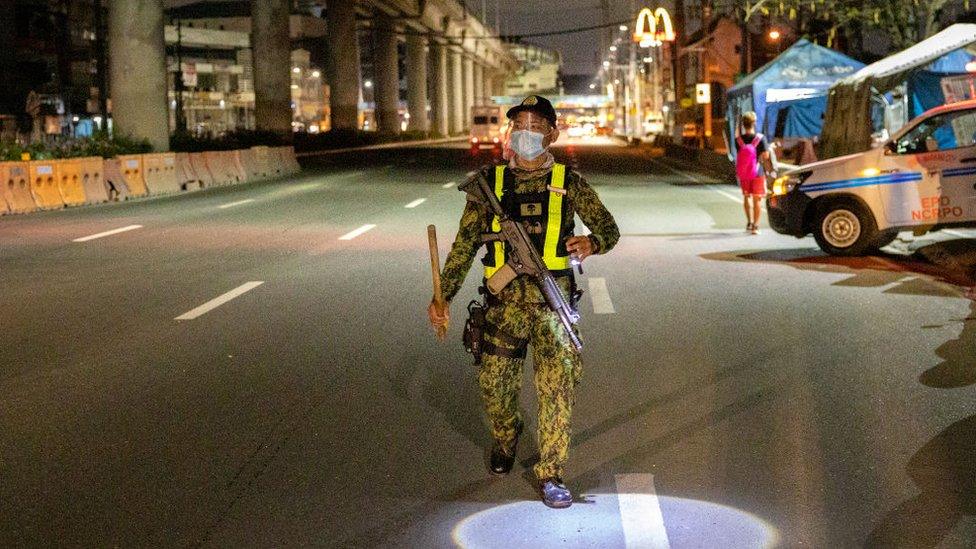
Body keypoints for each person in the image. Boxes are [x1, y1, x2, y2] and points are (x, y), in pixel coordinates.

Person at [427, 95, 619, 509]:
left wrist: (592, 242)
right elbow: (464, 247)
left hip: (553, 306)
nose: (526, 133)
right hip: (503, 308)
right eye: (520, 125)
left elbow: (609, 229)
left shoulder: (570, 181)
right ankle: (507, 433)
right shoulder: (488, 185)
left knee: (557, 389)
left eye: (536, 125)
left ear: (553, 132)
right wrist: (443, 294)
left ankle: (552, 472)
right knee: (495, 390)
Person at [734, 112, 775, 235]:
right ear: (754, 123)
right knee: (757, 199)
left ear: (743, 124)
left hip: (744, 173)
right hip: (757, 172)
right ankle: (756, 226)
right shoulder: (761, 138)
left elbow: (739, 155)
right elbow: (766, 156)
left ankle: (749, 222)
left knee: (746, 197)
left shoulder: (738, 140)